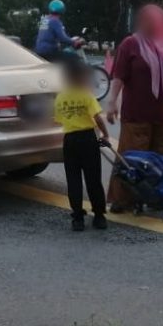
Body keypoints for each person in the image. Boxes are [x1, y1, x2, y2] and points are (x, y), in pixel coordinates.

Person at [105, 4, 163, 209]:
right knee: (131, 158)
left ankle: (159, 197)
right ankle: (122, 199)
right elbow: (119, 76)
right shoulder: (130, 44)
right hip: (136, 114)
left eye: (156, 19)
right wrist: (112, 102)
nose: (151, 23)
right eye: (147, 19)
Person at [54, 61, 112, 231]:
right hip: (87, 139)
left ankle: (77, 218)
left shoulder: (60, 97)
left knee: (74, 180)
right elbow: (98, 118)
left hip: (70, 141)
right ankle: (99, 216)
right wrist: (105, 134)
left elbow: (60, 121)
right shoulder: (86, 95)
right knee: (93, 179)